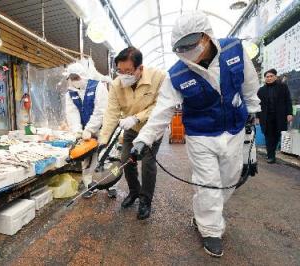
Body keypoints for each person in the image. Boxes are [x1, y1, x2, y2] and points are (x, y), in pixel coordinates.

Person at [131, 11, 261, 257]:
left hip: (233, 128)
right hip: (201, 135)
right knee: (208, 183)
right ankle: (211, 230)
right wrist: (143, 139)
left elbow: (249, 83)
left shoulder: (234, 50)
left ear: (206, 36)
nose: (186, 52)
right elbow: (162, 111)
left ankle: (203, 214)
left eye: (191, 45)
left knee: (230, 179)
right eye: (180, 48)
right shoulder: (177, 75)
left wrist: (253, 110)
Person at [99, 47, 166, 220]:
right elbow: (112, 113)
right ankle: (134, 192)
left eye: (128, 71)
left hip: (152, 128)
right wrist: (103, 141)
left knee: (148, 164)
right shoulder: (116, 84)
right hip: (131, 130)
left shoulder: (158, 77)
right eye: (119, 71)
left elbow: (160, 107)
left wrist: (137, 117)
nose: (123, 75)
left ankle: (146, 200)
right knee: (126, 161)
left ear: (140, 68)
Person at [64, 62, 116, 198]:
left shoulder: (97, 86)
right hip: (85, 132)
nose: (75, 81)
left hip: (103, 128)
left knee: (106, 156)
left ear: (83, 76)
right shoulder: (70, 93)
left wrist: (90, 129)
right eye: (72, 78)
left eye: (76, 77)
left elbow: (101, 110)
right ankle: (90, 186)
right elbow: (72, 113)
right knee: (86, 160)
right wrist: (78, 130)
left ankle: (111, 184)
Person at [257, 69, 293, 163]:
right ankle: (270, 156)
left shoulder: (283, 87)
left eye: (271, 76)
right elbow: (258, 104)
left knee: (277, 135)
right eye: (267, 77)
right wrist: (257, 116)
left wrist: (289, 113)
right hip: (266, 117)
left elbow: (288, 100)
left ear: (275, 77)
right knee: (268, 136)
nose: (269, 78)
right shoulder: (261, 90)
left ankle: (272, 153)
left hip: (279, 116)